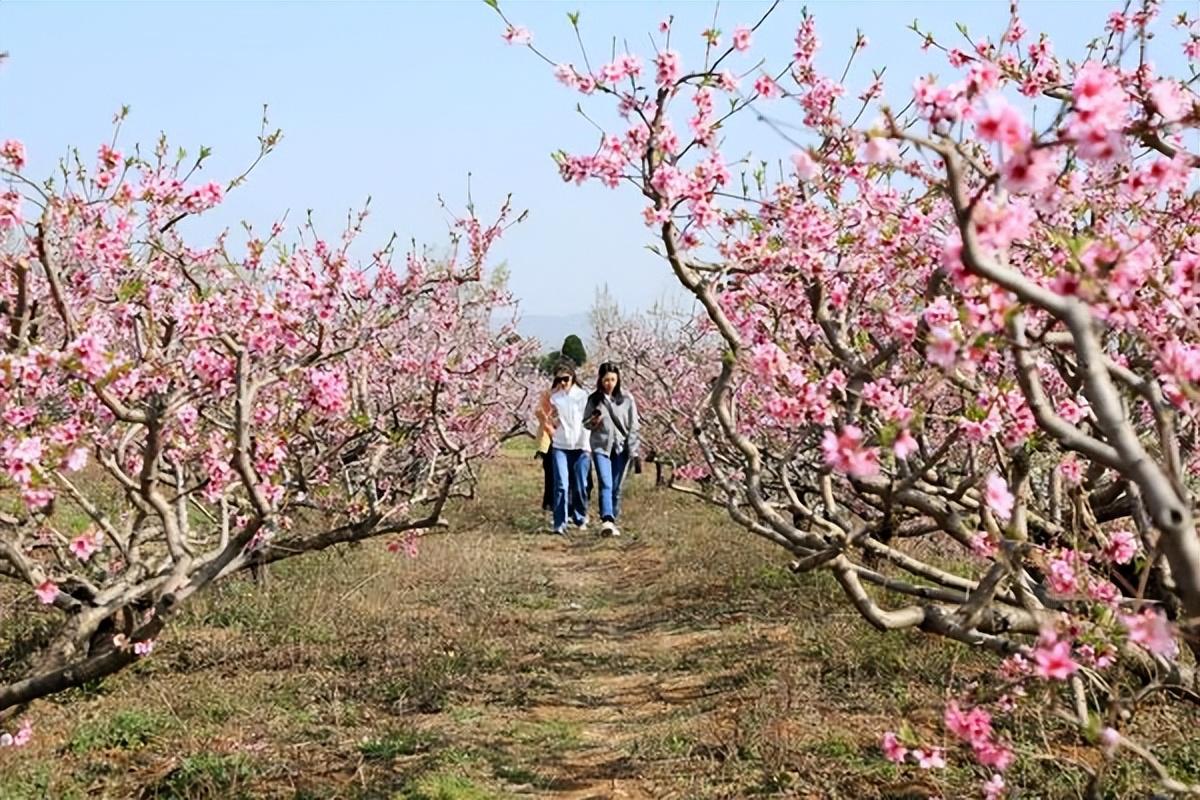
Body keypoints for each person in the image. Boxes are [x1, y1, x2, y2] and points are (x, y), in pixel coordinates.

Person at [583, 361, 640, 536]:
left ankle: (613, 518)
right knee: (605, 483)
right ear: (600, 380)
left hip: (622, 448)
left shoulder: (627, 400)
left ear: (618, 380)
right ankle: (607, 520)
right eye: (606, 380)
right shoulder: (593, 399)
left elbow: (634, 426)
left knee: (616, 487)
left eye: (613, 379)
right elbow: (585, 423)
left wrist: (634, 451)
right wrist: (593, 422)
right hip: (601, 447)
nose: (610, 383)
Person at [542, 362, 591, 535]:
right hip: (560, 446)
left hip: (581, 446)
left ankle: (580, 517)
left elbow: (588, 421)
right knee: (561, 484)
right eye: (559, 379)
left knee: (580, 485)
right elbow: (549, 418)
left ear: (572, 377)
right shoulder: (555, 398)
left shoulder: (583, 396)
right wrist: (551, 430)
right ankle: (559, 522)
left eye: (566, 379)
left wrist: (587, 445)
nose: (563, 383)